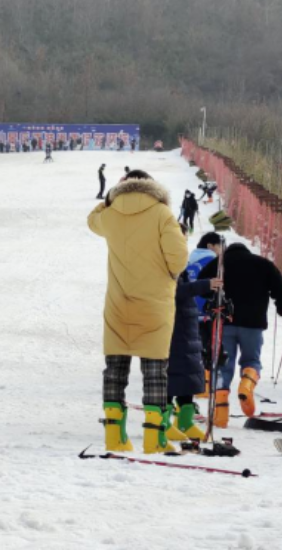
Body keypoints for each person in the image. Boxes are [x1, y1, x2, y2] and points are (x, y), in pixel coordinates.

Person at [87, 170, 188, 454]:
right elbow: (179, 258)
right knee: (155, 371)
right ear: (153, 187)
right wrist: (168, 275)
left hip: (118, 303)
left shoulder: (110, 214)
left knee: (115, 369)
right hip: (154, 303)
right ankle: (155, 439)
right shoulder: (162, 214)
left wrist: (109, 199)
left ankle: (114, 437)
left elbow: (91, 220)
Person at [199, 243, 282, 423]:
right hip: (253, 324)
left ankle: (220, 416)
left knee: (222, 365)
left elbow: (202, 285)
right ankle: (246, 384)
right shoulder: (262, 264)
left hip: (224, 322)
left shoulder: (219, 264)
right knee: (251, 360)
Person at [167, 223, 222, 442]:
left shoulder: (180, 259)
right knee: (173, 373)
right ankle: (162, 421)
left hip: (187, 322)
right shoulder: (163, 258)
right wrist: (204, 285)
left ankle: (185, 420)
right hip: (172, 323)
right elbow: (171, 290)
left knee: (190, 373)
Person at [186, 232, 223, 397]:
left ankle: (194, 381)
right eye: (219, 246)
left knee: (193, 347)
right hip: (208, 311)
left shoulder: (188, 260)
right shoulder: (213, 262)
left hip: (189, 310)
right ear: (210, 246)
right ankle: (207, 383)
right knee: (210, 346)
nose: (221, 250)